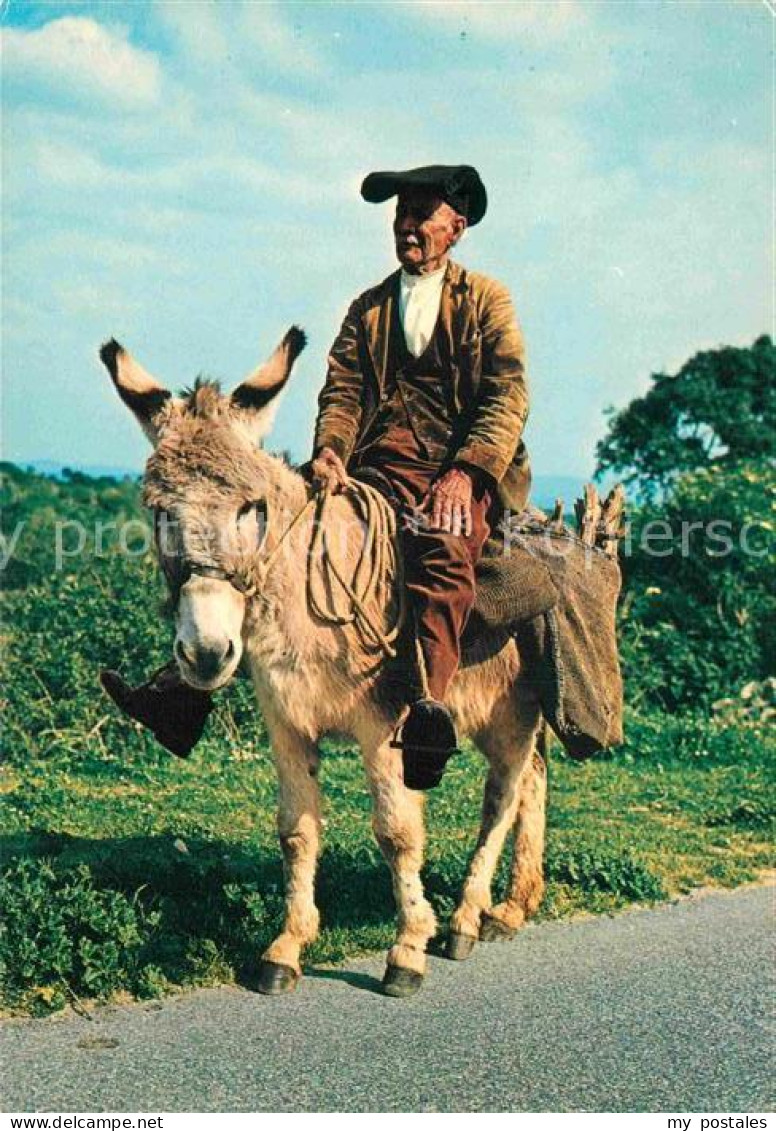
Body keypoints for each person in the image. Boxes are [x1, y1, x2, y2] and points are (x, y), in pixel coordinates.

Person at [101, 164, 530, 790]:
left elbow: (506, 396)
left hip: (455, 469)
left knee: (440, 547)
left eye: (422, 214)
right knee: (269, 535)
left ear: (455, 228)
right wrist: (330, 450)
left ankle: (431, 707)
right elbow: (343, 392)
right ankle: (182, 692)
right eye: (400, 214)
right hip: (374, 466)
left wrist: (467, 474)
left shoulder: (489, 301)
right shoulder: (368, 307)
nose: (407, 225)